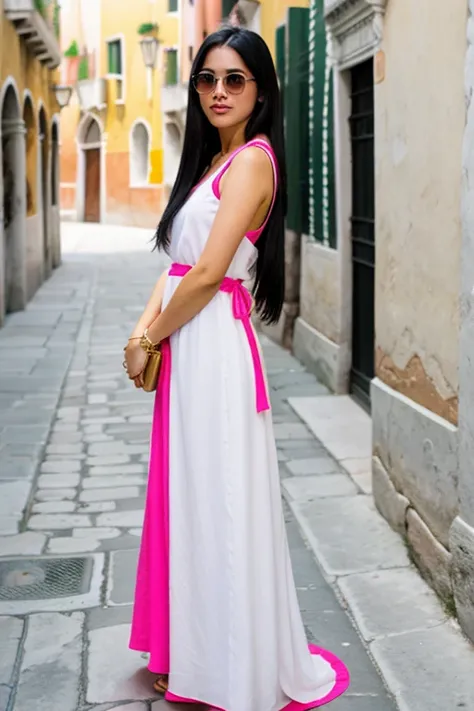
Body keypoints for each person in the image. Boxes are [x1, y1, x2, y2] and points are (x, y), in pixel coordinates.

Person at [124, 25, 349, 711]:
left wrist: (150, 340)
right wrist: (143, 330)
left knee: (217, 498)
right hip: (190, 346)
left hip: (212, 350)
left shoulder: (251, 161)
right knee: (190, 498)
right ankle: (192, 648)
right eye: (207, 79)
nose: (218, 92)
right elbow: (178, 265)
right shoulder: (211, 163)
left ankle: (224, 662)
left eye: (234, 80)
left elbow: (211, 274)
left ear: (259, 91)